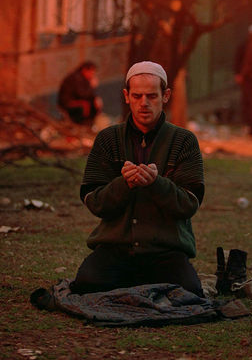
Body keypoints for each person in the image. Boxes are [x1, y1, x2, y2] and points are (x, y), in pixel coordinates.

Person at [70, 61, 205, 296]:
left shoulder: (184, 141)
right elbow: (94, 202)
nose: (144, 103)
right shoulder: (107, 139)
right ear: (126, 96)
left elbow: (189, 204)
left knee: (189, 292)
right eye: (137, 95)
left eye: (152, 96)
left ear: (166, 96)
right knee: (86, 284)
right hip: (116, 248)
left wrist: (157, 184)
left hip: (166, 251)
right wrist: (124, 185)